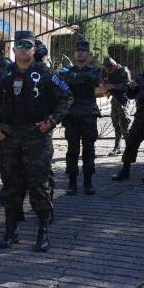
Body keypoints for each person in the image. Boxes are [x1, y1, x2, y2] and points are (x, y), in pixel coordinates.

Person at [0, 30, 73, 251]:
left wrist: (52, 121)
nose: (23, 49)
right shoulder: (4, 76)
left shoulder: (46, 74)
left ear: (34, 49)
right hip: (10, 137)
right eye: (19, 45)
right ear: (13, 49)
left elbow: (66, 97)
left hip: (37, 137)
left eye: (28, 45)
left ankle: (42, 232)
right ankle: (11, 230)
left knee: (39, 186)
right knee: (11, 187)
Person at [112, 50, 144, 183]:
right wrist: (132, 88)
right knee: (131, 142)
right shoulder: (140, 76)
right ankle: (125, 169)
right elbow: (130, 96)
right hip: (141, 115)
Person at [59, 40, 101, 196]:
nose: (80, 53)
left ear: (88, 54)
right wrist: (79, 78)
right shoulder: (65, 71)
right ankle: (72, 183)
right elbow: (61, 82)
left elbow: (94, 80)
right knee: (72, 150)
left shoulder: (95, 70)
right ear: (74, 53)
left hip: (89, 115)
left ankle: (88, 183)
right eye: (78, 50)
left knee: (89, 150)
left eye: (83, 50)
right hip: (71, 116)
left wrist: (74, 78)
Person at [102, 57, 131, 156]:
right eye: (107, 69)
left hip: (123, 99)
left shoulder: (124, 71)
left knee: (124, 124)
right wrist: (106, 90)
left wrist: (113, 86)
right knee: (116, 124)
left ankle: (129, 147)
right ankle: (117, 147)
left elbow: (128, 86)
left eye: (109, 69)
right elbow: (107, 84)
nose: (108, 71)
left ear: (114, 65)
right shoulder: (109, 72)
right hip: (114, 100)